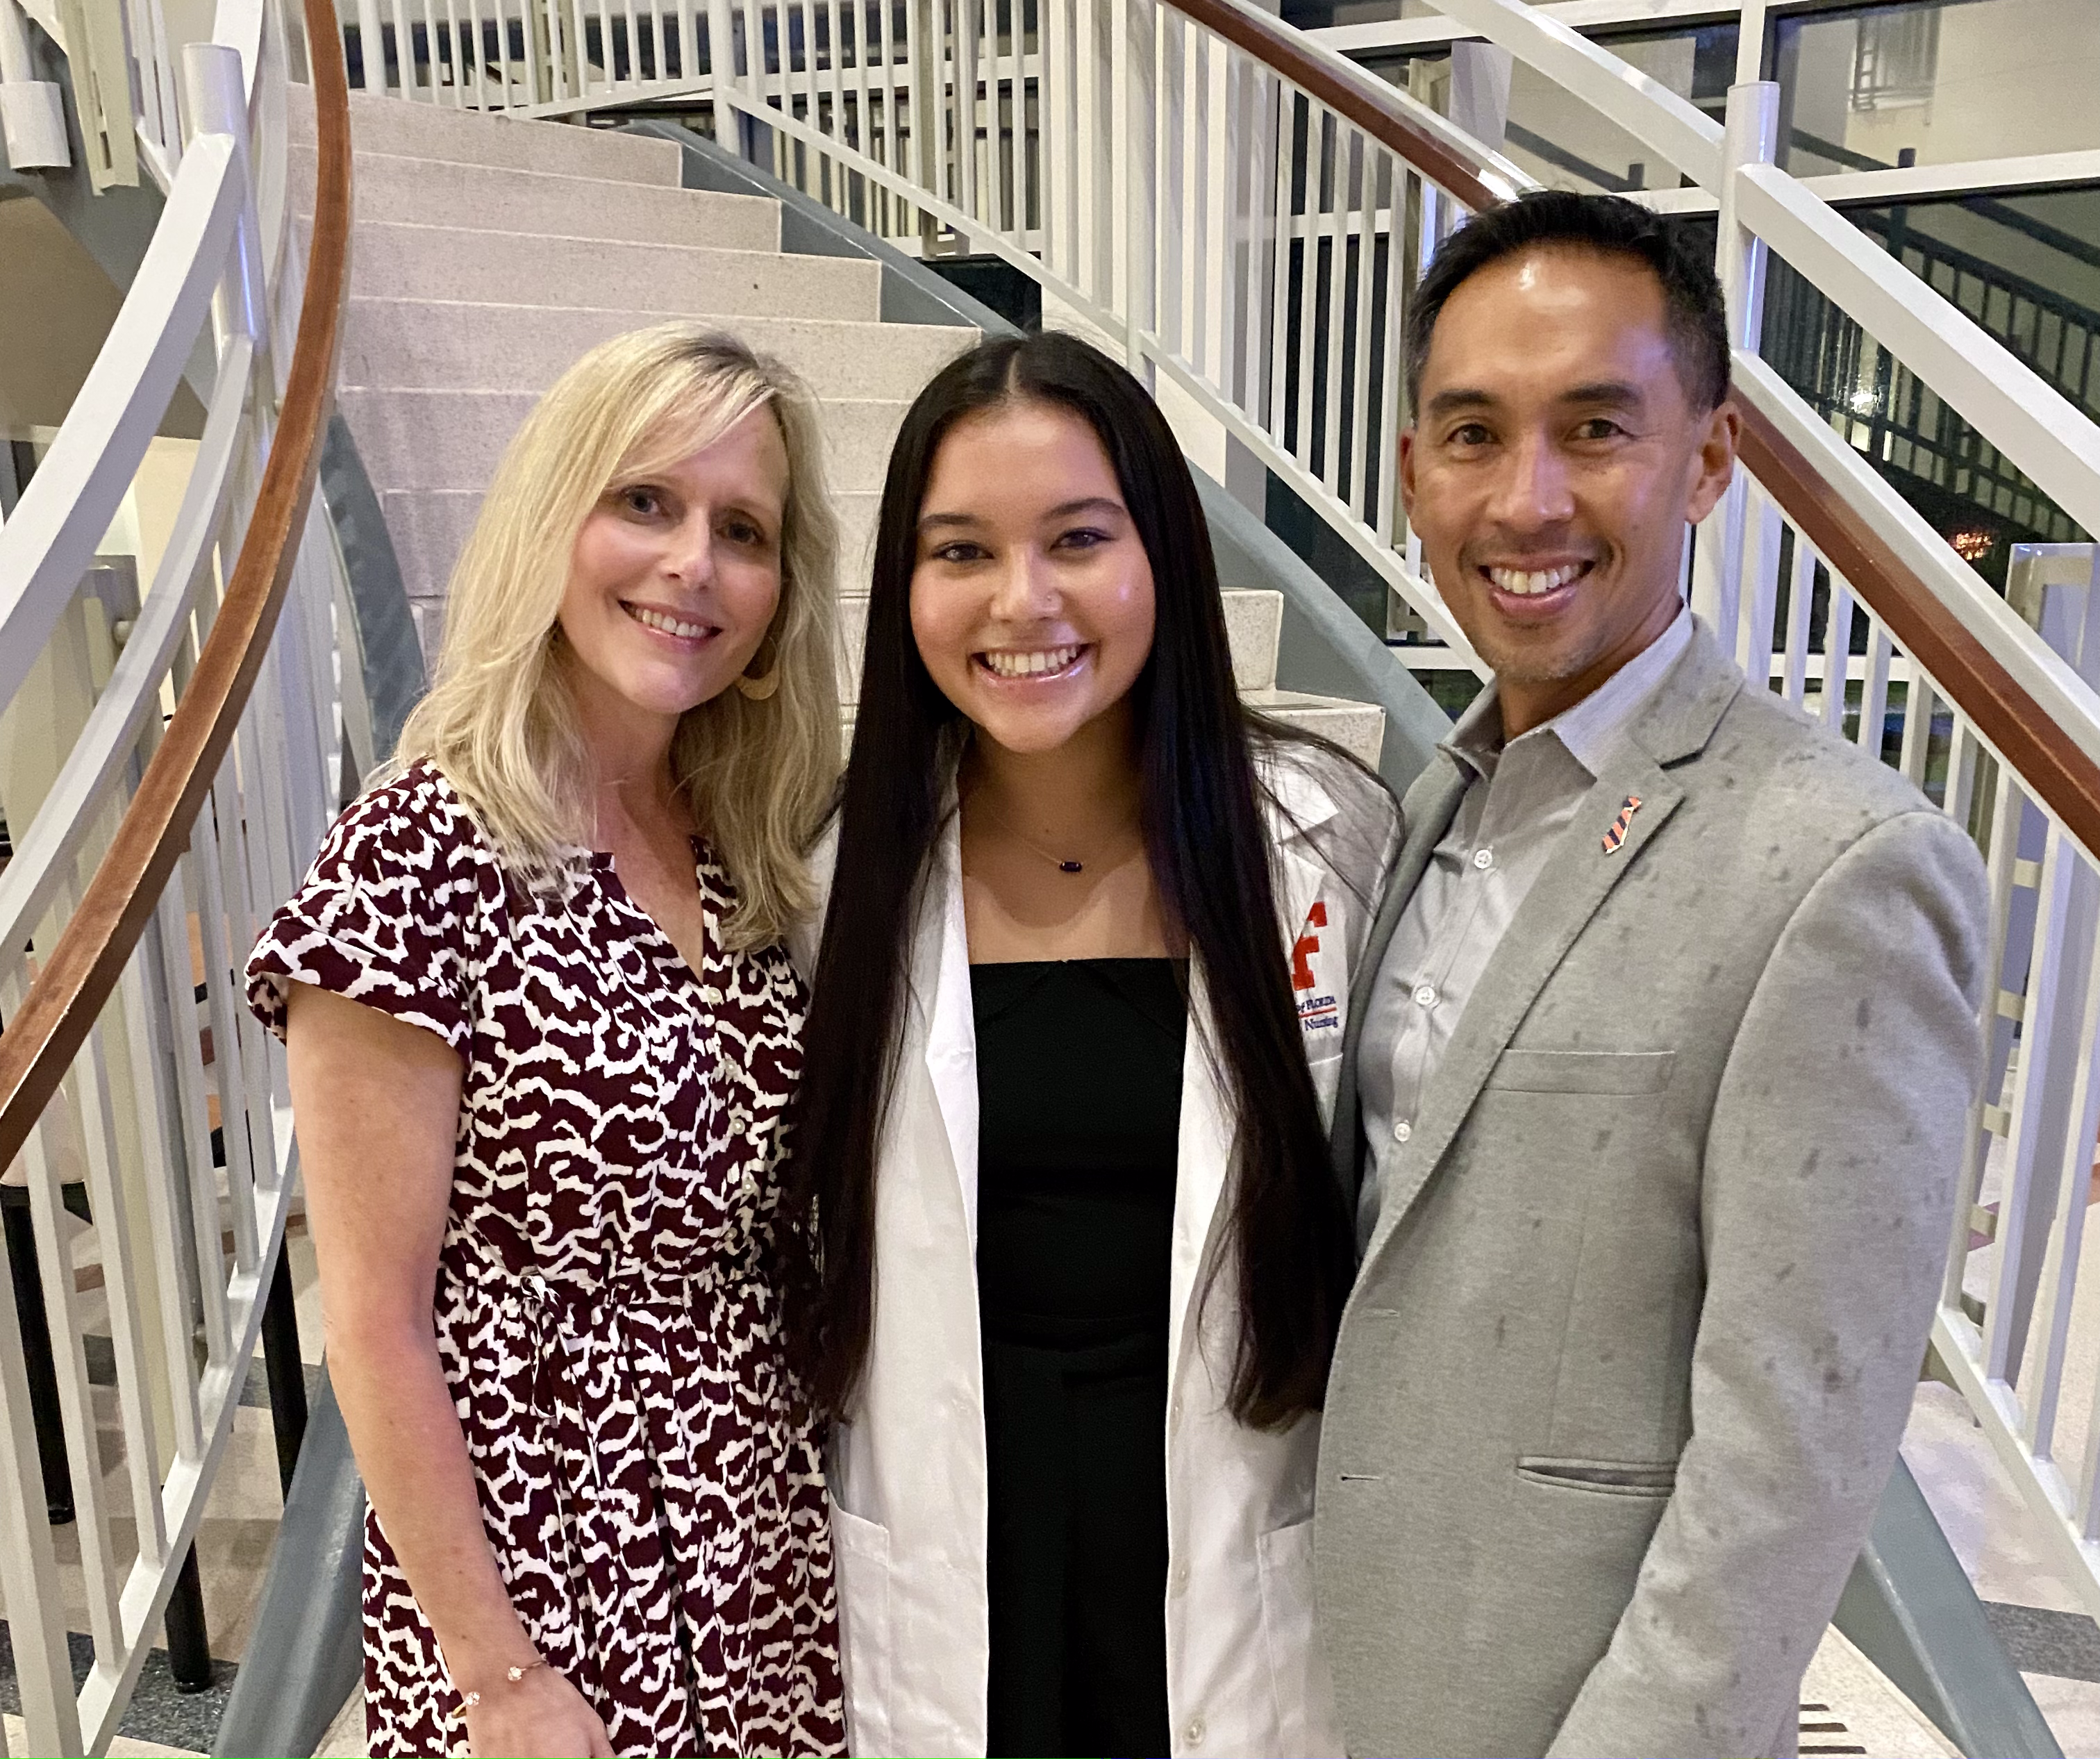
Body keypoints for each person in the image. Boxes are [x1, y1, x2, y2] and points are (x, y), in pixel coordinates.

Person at [1312, 189, 1991, 1758]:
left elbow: (1791, 1459)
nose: (1526, 498)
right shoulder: (1435, 808)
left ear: (1707, 461)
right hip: (1346, 1681)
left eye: (1596, 429)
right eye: (1472, 434)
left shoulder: (1840, 864)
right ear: (1413, 472)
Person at [778, 329, 1397, 1758]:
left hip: (1223, 1545)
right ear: (906, 586)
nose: (1023, 601)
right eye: (961, 552)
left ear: (1161, 559)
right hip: (950, 1549)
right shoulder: (837, 873)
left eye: (1077, 539)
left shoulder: (1320, 843)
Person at [245, 325, 847, 1759]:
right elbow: (375, 1325)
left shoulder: (746, 853)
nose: (693, 562)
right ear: (554, 521)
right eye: (644, 501)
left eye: (742, 528)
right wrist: (496, 1673)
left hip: (759, 1537)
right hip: (545, 1563)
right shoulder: (421, 852)